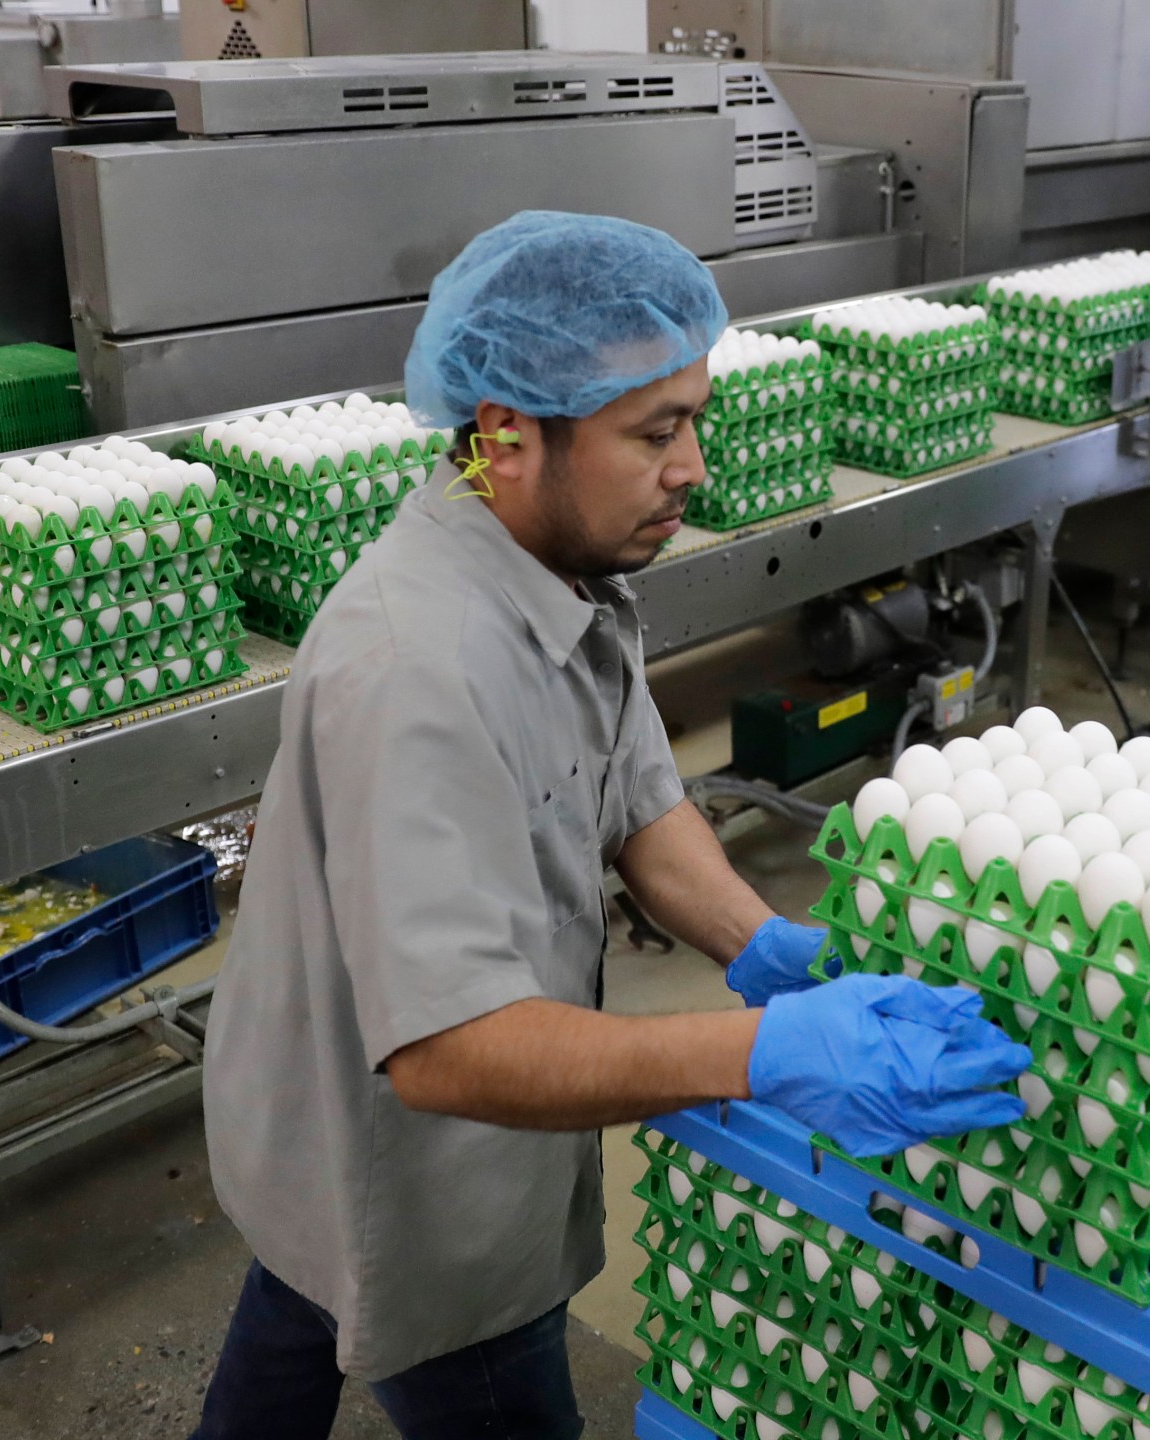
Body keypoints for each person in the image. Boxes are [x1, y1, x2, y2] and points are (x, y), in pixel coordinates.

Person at [189, 211, 1029, 1440]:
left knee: (301, 1307)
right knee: (422, 1335)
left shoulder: (560, 572)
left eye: (692, 419)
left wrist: (756, 943)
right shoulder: (419, 665)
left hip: (331, 1122)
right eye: (655, 432)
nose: (692, 466)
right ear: (508, 435)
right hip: (419, 1174)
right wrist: (761, 1053)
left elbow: (638, 797)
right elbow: (447, 1053)